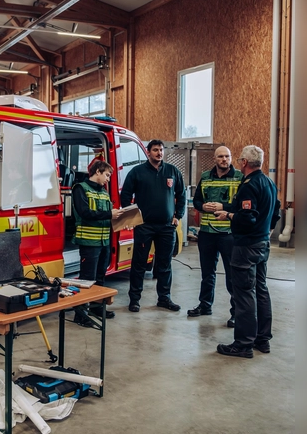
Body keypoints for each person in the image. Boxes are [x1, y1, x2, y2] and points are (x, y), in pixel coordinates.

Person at [214, 145, 281, 358]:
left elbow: (247, 217)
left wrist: (229, 215)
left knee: (244, 293)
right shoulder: (269, 183)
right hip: (262, 244)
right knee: (260, 289)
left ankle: (243, 344)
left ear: (244, 162)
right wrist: (267, 231)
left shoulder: (249, 186)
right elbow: (276, 211)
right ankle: (263, 339)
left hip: (246, 247)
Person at [120, 139, 186, 312]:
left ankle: (164, 298)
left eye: (161, 150)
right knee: (139, 263)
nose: (159, 153)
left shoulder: (172, 171)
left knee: (164, 264)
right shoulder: (137, 172)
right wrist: (131, 218)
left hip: (166, 227)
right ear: (148, 152)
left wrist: (178, 215)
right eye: (155, 150)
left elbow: (182, 194)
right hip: (144, 227)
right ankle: (134, 299)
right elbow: (125, 195)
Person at [188, 146, 243, 327]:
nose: (224, 159)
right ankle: (205, 305)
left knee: (232, 275)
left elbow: (241, 205)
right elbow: (197, 200)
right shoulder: (205, 177)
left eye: (227, 156)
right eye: (220, 156)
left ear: (231, 158)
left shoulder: (239, 178)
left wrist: (223, 207)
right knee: (207, 273)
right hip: (207, 233)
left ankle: (236, 312)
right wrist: (203, 207)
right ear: (215, 158)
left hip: (229, 234)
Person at [71, 160, 124, 327]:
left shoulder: (104, 192)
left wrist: (123, 220)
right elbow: (85, 212)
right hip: (89, 241)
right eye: (107, 175)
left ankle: (95, 307)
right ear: (98, 172)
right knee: (87, 279)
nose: (108, 179)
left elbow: (108, 217)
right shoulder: (80, 189)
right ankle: (80, 314)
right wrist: (109, 214)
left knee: (100, 277)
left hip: (104, 241)